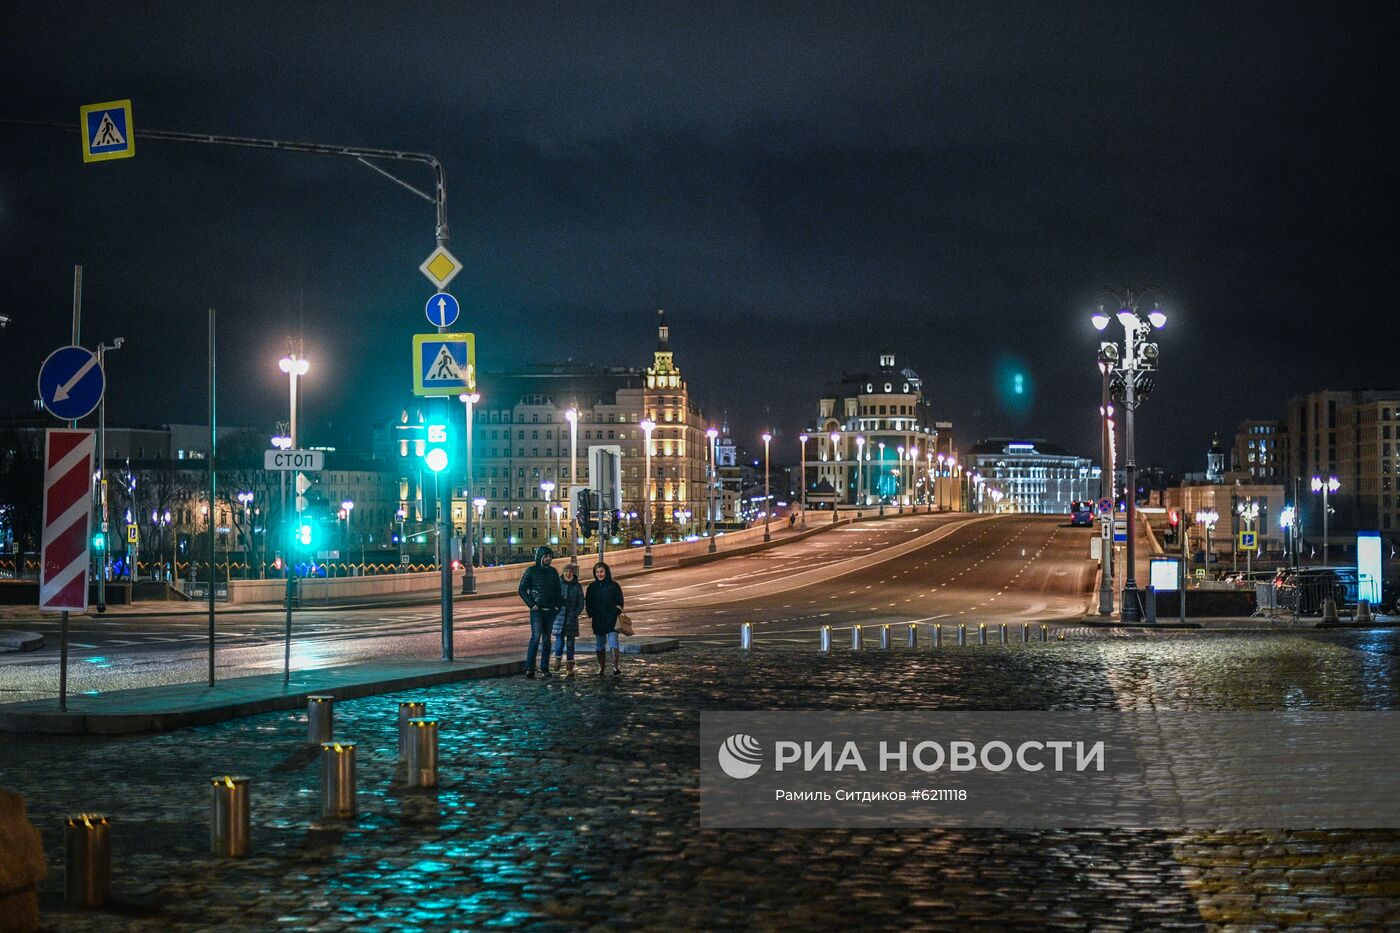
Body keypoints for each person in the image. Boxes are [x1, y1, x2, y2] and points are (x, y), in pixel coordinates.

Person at [517, 546, 563, 678]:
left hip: (550, 611)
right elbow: (521, 589)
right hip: (537, 611)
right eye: (546, 556)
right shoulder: (531, 571)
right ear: (540, 557)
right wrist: (532, 605)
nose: (548, 559)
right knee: (535, 639)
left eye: (550, 557)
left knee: (547, 640)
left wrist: (556, 606)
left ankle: (544, 667)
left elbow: (558, 591)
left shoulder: (553, 572)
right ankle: (530, 668)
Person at [585, 561, 625, 676]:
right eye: (597, 572)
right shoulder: (592, 587)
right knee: (599, 644)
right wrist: (591, 613)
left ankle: (615, 667)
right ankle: (601, 667)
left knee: (613, 643)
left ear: (606, 572)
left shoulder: (614, 586)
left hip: (612, 620)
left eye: (601, 571)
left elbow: (620, 603)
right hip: (598, 620)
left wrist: (613, 613)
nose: (599, 574)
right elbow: (588, 602)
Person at [550, 563, 584, 676]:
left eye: (570, 571)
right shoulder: (558, 585)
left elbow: (581, 603)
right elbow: (553, 599)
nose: (568, 573)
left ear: (573, 573)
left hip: (571, 617)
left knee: (570, 643)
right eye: (566, 571)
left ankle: (569, 667)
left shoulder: (577, 586)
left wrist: (575, 613)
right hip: (559, 617)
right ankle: (558, 660)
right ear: (563, 573)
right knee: (559, 642)